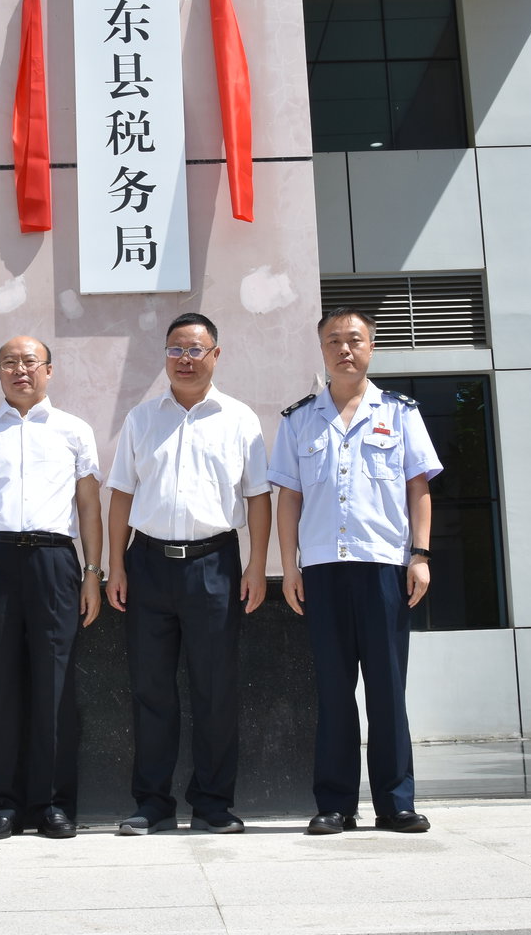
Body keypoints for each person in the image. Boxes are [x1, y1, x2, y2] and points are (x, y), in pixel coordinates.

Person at [271, 308, 442, 834]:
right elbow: (289, 498)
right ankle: (335, 803)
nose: (344, 349)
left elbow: (419, 488)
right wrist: (289, 566)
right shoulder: (298, 419)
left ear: (371, 347)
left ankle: (396, 802)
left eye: (354, 340)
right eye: (333, 341)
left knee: (388, 690)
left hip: (383, 568)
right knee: (333, 690)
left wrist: (420, 555)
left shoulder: (401, 412)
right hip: (322, 569)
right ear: (321, 350)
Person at [104, 312, 271, 835]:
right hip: (148, 564)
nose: (184, 359)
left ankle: (214, 804)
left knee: (215, 690)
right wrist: (116, 566)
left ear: (215, 355)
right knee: (151, 690)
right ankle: (152, 803)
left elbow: (258, 498)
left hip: (215, 565)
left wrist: (257, 567)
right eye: (175, 349)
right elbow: (121, 496)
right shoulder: (142, 418)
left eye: (195, 349)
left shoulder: (240, 419)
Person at [0, 334, 103, 840]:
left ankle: (54, 805)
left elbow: (89, 507)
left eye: (30, 362)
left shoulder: (74, 431)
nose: (20, 370)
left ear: (49, 370)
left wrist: (92, 573)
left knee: (54, 688)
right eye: (9, 363)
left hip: (55, 562)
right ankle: (1, 805)